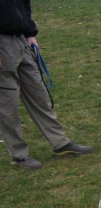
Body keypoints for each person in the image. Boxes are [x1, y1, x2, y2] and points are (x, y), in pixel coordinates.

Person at [0, 0, 92, 170]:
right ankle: (19, 156)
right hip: (3, 45)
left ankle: (60, 143)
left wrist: (29, 33)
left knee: (40, 96)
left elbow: (23, 4)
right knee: (8, 105)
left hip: (21, 40)